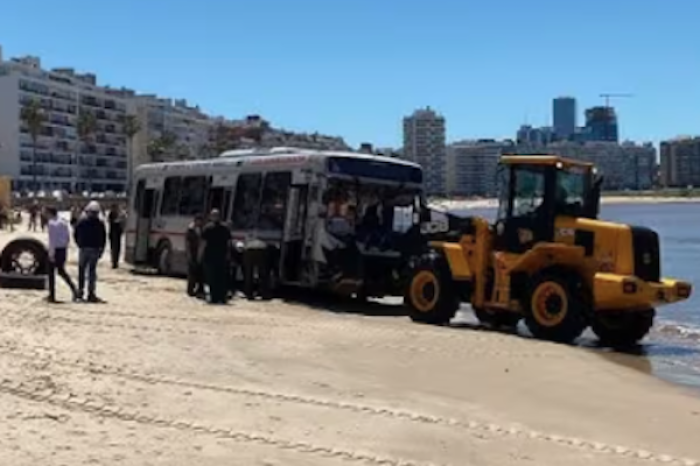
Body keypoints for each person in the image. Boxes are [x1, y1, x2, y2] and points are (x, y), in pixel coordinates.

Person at [74, 200, 107, 302]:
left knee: (81, 271)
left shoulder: (82, 221)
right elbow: (103, 238)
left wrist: (79, 244)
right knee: (91, 272)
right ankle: (91, 293)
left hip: (84, 249)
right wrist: (101, 250)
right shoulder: (100, 223)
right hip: (94, 249)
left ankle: (80, 292)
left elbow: (75, 234)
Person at [45, 206, 79, 303]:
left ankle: (52, 295)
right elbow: (68, 237)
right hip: (63, 250)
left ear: (50, 213)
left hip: (55, 250)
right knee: (61, 271)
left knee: (51, 273)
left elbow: (52, 240)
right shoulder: (64, 223)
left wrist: (51, 254)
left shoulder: (51, 224)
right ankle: (74, 289)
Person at [198, 209, 231, 304]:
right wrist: (228, 255)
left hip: (210, 257)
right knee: (221, 278)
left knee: (211, 278)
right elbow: (229, 244)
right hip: (221, 257)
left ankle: (214, 298)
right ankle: (222, 297)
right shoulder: (225, 228)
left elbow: (203, 244)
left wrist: (199, 256)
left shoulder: (207, 228)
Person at [242, 231, 271, 300]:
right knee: (262, 273)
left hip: (249, 249)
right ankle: (264, 293)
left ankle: (249, 294)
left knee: (249, 274)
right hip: (261, 249)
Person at [185, 214, 205, 297]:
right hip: (192, 253)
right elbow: (187, 243)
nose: (200, 222)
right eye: (198, 220)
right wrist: (189, 254)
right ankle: (190, 290)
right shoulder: (191, 229)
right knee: (192, 272)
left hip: (199, 253)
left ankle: (199, 289)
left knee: (200, 272)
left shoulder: (202, 229)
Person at [107, 204, 124, 269]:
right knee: (114, 249)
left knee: (117, 249)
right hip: (113, 234)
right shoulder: (111, 214)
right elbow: (111, 222)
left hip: (117, 234)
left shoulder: (118, 214)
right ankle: (114, 262)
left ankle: (115, 262)